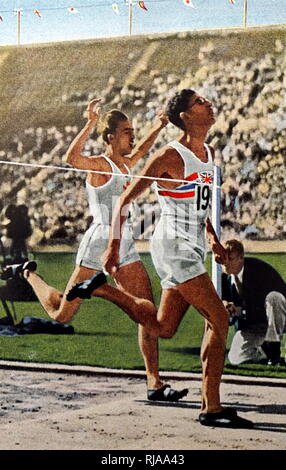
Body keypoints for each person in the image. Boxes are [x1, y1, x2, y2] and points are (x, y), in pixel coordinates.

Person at [68, 89, 254, 428]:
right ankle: (211, 407)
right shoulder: (170, 155)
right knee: (219, 317)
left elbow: (203, 207)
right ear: (184, 116)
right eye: (200, 102)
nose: (209, 104)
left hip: (193, 245)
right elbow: (123, 197)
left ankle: (103, 290)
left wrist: (212, 239)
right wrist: (112, 246)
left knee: (163, 327)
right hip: (173, 246)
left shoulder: (210, 153)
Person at [3, 98, 187, 402]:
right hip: (99, 240)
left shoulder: (126, 163)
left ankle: (154, 383)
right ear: (110, 137)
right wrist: (90, 122)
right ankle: (27, 273)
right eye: (126, 131)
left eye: (132, 130)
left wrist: (160, 125)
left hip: (123, 241)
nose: (132, 136)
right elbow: (71, 157)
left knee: (147, 311)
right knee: (62, 315)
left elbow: (143, 150)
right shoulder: (101, 165)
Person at [221, 239, 286, 366]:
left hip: (277, 319)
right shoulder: (223, 278)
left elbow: (278, 299)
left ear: (241, 258)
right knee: (236, 357)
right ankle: (265, 355)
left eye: (230, 258)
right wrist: (226, 309)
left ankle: (273, 350)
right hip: (252, 325)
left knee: (274, 297)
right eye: (223, 259)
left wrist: (242, 311)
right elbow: (229, 319)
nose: (225, 263)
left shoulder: (260, 269)